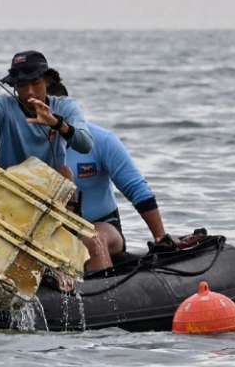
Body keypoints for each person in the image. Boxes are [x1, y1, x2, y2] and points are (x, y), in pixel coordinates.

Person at [46, 70, 167, 270]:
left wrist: (160, 237)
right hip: (48, 231)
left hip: (102, 226)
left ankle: (106, 297)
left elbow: (137, 190)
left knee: (92, 240)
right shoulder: (28, 147)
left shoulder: (102, 140)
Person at [0, 50, 93, 171]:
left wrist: (57, 123)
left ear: (47, 81)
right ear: (14, 86)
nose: (29, 91)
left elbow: (86, 145)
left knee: (65, 172)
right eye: (21, 85)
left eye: (36, 83)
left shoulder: (65, 106)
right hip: (12, 184)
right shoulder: (5, 106)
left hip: (51, 184)